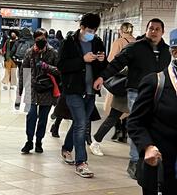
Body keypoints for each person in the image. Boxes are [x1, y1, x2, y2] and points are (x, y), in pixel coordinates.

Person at [93, 18, 170, 180]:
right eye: (151, 28)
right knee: (139, 124)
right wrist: (102, 77)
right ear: (147, 30)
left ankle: (148, 157)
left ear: (163, 32)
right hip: (137, 92)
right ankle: (135, 161)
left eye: (157, 29)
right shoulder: (136, 47)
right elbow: (116, 63)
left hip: (158, 93)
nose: (154, 31)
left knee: (154, 125)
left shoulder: (166, 51)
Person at [127, 43, 177, 195]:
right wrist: (147, 146)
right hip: (160, 169)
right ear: (174, 52)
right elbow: (135, 122)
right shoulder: (155, 82)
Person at [57, 13, 107, 178]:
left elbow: (102, 67)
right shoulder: (69, 43)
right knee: (81, 125)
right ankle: (81, 163)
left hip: (91, 91)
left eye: (94, 30)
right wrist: (82, 60)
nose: (91, 33)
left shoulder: (97, 41)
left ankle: (66, 148)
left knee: (80, 122)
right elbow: (61, 66)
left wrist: (102, 60)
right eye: (89, 30)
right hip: (74, 90)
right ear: (82, 27)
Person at [89, 22, 135, 156]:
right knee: (130, 117)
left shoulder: (119, 42)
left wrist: (103, 76)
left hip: (123, 84)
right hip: (131, 86)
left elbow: (111, 62)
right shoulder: (138, 43)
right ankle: (103, 139)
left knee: (113, 116)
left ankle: (97, 141)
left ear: (122, 30)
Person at [20, 29, 60, 154]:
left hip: (47, 90)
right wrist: (20, 88)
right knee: (31, 116)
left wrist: (46, 67)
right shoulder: (29, 52)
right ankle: (29, 141)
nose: (40, 42)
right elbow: (23, 71)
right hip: (32, 89)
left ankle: (39, 141)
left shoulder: (53, 53)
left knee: (43, 118)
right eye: (37, 40)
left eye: (42, 39)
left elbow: (59, 71)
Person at [13, 27, 34, 110]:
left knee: (20, 85)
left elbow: (12, 53)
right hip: (30, 68)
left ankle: (17, 103)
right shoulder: (33, 42)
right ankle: (27, 105)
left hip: (21, 67)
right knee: (29, 86)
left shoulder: (19, 42)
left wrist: (18, 63)